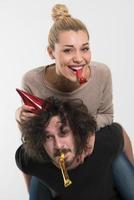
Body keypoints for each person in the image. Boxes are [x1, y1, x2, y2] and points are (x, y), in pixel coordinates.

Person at [15, 4, 134, 200]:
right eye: (68, 50)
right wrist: (19, 116)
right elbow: (32, 137)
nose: (79, 59)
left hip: (92, 144)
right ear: (51, 52)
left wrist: (86, 134)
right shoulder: (32, 80)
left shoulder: (102, 73)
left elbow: (107, 115)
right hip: (55, 158)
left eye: (85, 48)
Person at [15, 97, 133, 200]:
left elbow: (120, 133)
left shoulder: (101, 143)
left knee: (118, 157)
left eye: (64, 132)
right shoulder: (32, 159)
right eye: (48, 137)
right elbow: (25, 163)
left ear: (76, 131)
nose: (58, 145)